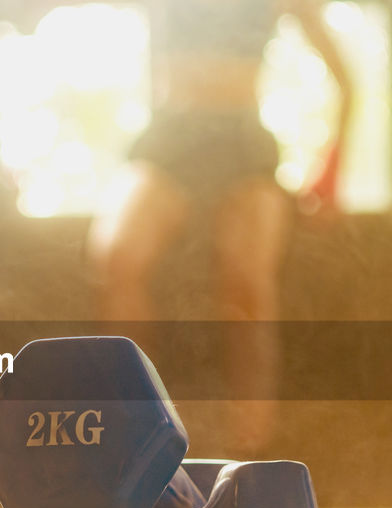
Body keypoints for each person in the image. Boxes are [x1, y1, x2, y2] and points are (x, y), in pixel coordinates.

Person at [85, 0, 353, 455]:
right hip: (170, 137)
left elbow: (347, 83)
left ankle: (250, 453)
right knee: (116, 257)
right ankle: (134, 431)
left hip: (242, 144)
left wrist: (329, 173)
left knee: (246, 284)